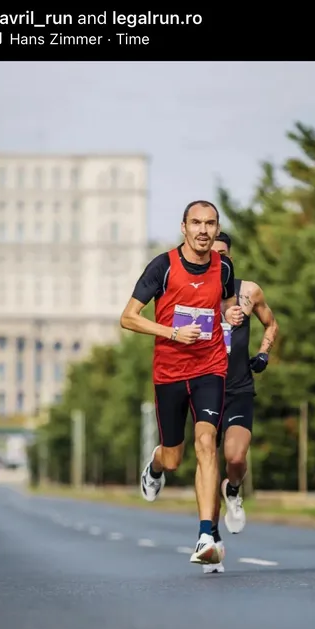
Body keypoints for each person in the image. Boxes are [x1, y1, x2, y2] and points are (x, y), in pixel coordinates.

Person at [120, 201, 244, 565]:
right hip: (170, 372)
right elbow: (129, 318)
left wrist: (232, 312)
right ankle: (156, 465)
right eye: (196, 223)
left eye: (210, 223)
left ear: (217, 228)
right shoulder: (162, 266)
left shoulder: (223, 267)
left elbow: (226, 304)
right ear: (183, 227)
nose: (203, 230)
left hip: (210, 367)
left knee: (207, 444)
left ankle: (206, 535)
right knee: (174, 458)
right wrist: (172, 332)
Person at [203, 232, 279, 573]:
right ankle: (211, 541)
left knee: (235, 458)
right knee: (207, 465)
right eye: (210, 253)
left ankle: (233, 490)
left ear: (230, 258)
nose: (217, 258)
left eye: (223, 254)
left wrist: (263, 353)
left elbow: (271, 324)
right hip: (204, 390)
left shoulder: (248, 292)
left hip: (238, 389)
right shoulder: (190, 295)